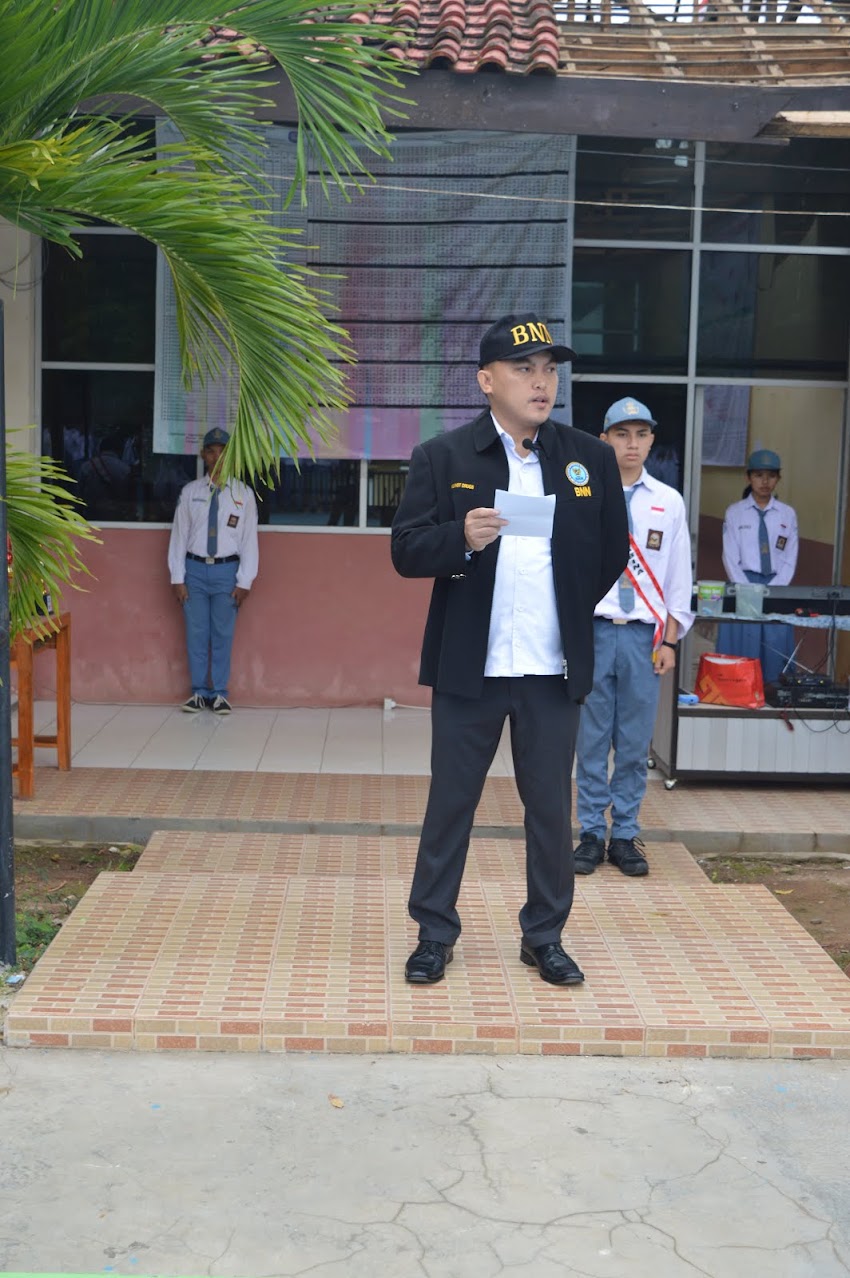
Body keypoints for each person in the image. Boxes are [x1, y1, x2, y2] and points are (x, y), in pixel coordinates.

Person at [391, 313, 629, 987]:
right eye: (525, 369)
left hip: (551, 673)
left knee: (551, 811)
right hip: (473, 669)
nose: (542, 382)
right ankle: (434, 932)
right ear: (486, 380)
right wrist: (460, 538)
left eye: (550, 369)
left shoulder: (589, 458)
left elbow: (611, 549)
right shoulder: (446, 458)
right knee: (451, 805)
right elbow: (406, 549)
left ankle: (545, 935)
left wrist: (569, 615)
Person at [573, 398, 694, 878]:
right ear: (604, 440)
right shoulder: (586, 497)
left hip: (645, 637)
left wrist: (670, 640)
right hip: (595, 631)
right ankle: (588, 832)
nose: (632, 444)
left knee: (633, 740)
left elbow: (678, 575)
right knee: (590, 737)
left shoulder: (669, 500)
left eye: (640, 435)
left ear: (651, 441)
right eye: (622, 434)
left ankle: (624, 833)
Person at [167, 427, 259, 714]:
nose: (217, 456)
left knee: (222, 634)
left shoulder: (243, 494)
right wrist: (177, 577)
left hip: (226, 572)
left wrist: (245, 580)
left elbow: (249, 541)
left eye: (223, 452)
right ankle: (198, 692)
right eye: (211, 451)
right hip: (194, 571)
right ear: (203, 455)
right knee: (196, 634)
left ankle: (219, 692)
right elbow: (179, 537)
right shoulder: (190, 492)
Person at [719, 449, 799, 686]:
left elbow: (790, 557)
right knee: (742, 644)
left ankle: (772, 693)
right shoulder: (735, 512)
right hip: (744, 584)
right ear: (748, 478)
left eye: (771, 476)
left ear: (778, 479)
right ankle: (738, 691)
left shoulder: (787, 514)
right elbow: (730, 556)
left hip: (777, 585)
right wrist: (748, 591)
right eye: (759, 475)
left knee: (774, 645)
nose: (765, 482)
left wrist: (774, 590)